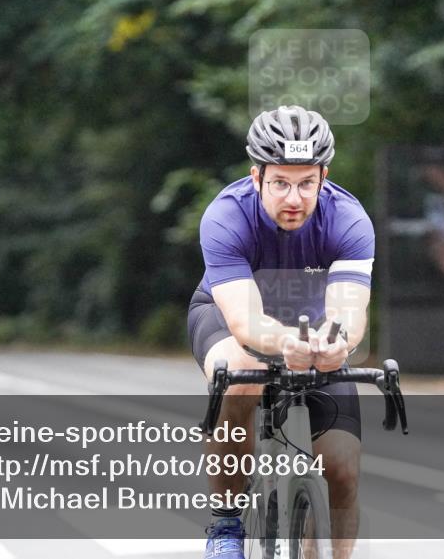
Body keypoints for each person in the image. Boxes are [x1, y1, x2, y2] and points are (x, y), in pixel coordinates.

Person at [188, 105, 374, 559]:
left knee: (342, 468)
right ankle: (226, 523)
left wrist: (338, 343)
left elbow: (349, 311)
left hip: (313, 328)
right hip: (229, 318)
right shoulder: (226, 216)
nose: (294, 198)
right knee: (242, 372)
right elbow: (245, 321)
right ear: (257, 177)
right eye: (280, 183)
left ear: (324, 177)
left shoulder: (348, 219)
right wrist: (286, 342)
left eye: (306, 183)